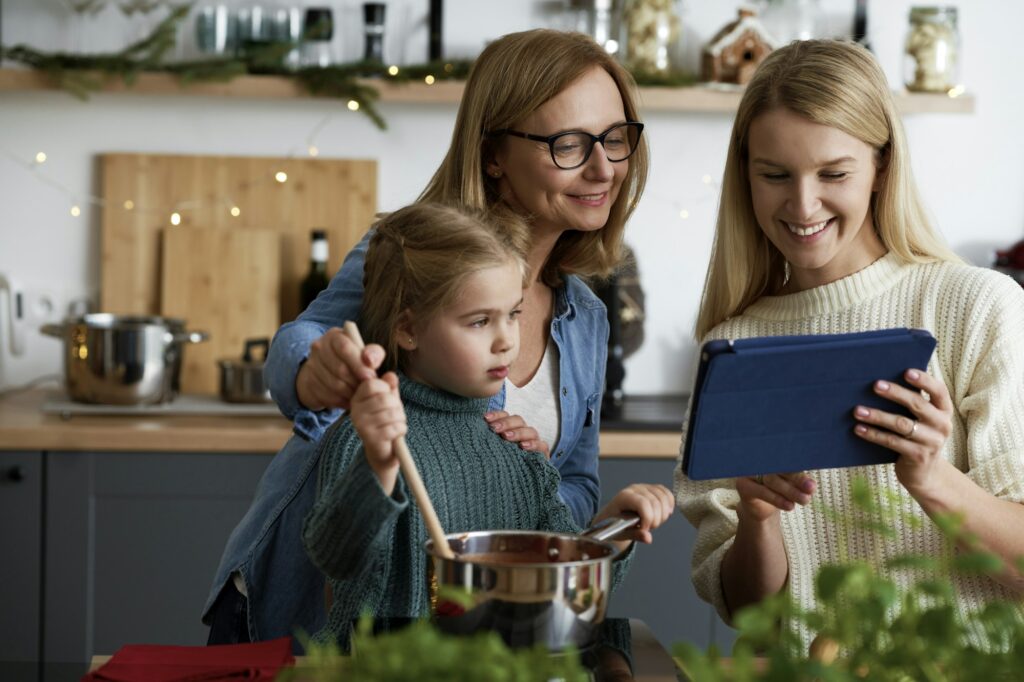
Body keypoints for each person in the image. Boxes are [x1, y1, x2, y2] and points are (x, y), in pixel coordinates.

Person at [204, 28, 650, 645]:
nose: (605, 167)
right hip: (307, 615)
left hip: (453, 636)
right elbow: (297, 343)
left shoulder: (587, 316)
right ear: (494, 153)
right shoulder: (420, 255)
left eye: (615, 138)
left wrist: (529, 476)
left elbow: (573, 485)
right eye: (569, 144)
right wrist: (319, 371)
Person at [674, 39, 1024, 649]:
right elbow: (747, 610)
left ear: (881, 167)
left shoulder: (976, 306)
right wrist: (758, 517)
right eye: (774, 175)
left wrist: (931, 477)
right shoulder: (734, 345)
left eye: (833, 173)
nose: (802, 204)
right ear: (745, 176)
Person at [303, 202, 673, 648]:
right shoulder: (369, 440)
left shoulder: (513, 446)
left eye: (513, 314)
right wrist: (379, 467)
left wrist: (614, 530)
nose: (506, 341)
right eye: (480, 321)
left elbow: (556, 583)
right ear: (408, 329)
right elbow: (335, 558)